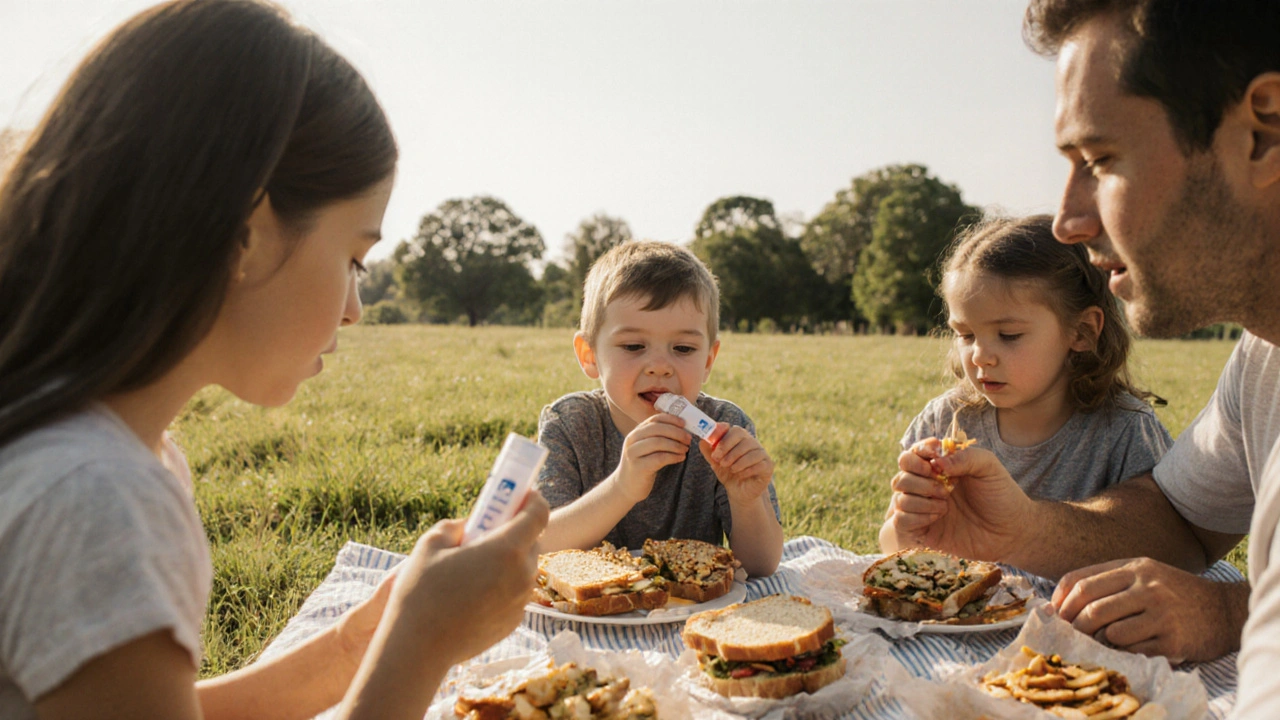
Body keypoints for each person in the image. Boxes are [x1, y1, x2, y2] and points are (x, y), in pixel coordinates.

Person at [0, 2, 548, 719]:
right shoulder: (103, 499)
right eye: (354, 258)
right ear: (246, 235)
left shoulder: (101, 448)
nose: (355, 307)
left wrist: (357, 648)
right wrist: (422, 645)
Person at [885, 0, 1280, 696]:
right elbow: (1178, 519)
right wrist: (1018, 531)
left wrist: (1228, 610)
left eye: (1100, 159)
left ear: (1264, 132)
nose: (1066, 220)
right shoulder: (1263, 356)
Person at [880, 215, 1171, 553]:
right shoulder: (944, 421)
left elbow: (1161, 548)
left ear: (1082, 331)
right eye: (966, 334)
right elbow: (891, 545)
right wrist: (910, 525)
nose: (980, 356)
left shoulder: (1124, 431)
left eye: (1009, 335)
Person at [534, 240, 783, 577]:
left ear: (708, 360)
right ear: (589, 355)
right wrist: (622, 488)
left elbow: (761, 566)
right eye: (634, 346)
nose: (660, 366)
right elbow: (540, 543)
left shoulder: (725, 426)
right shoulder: (570, 424)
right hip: (594, 612)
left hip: (693, 612)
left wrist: (747, 500)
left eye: (683, 348)